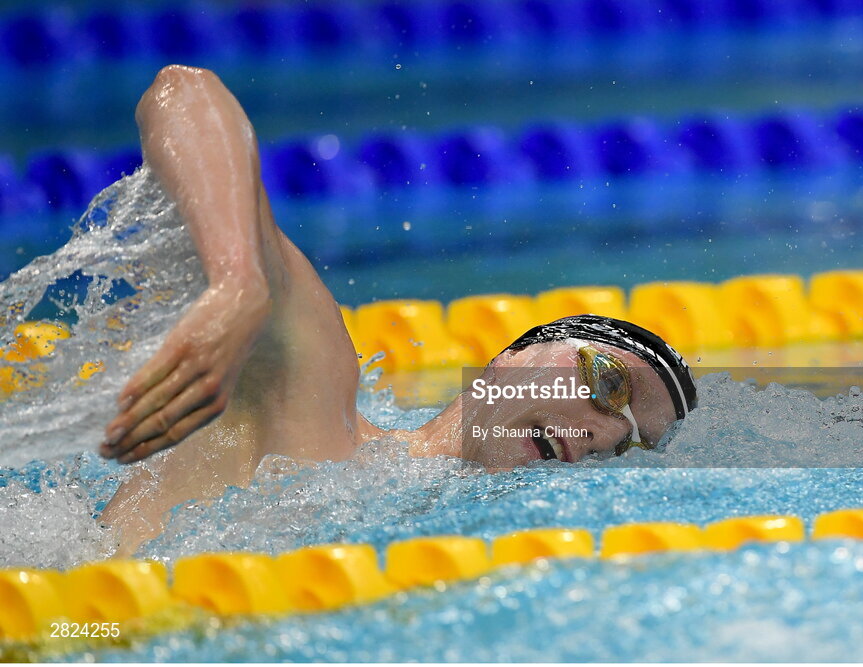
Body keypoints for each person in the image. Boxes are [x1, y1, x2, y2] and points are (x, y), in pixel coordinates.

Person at [98, 65, 698, 554]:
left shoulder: (450, 561)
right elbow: (182, 91)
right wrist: (238, 281)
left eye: (627, 446)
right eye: (610, 383)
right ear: (517, 356)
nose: (606, 434)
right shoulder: (310, 399)